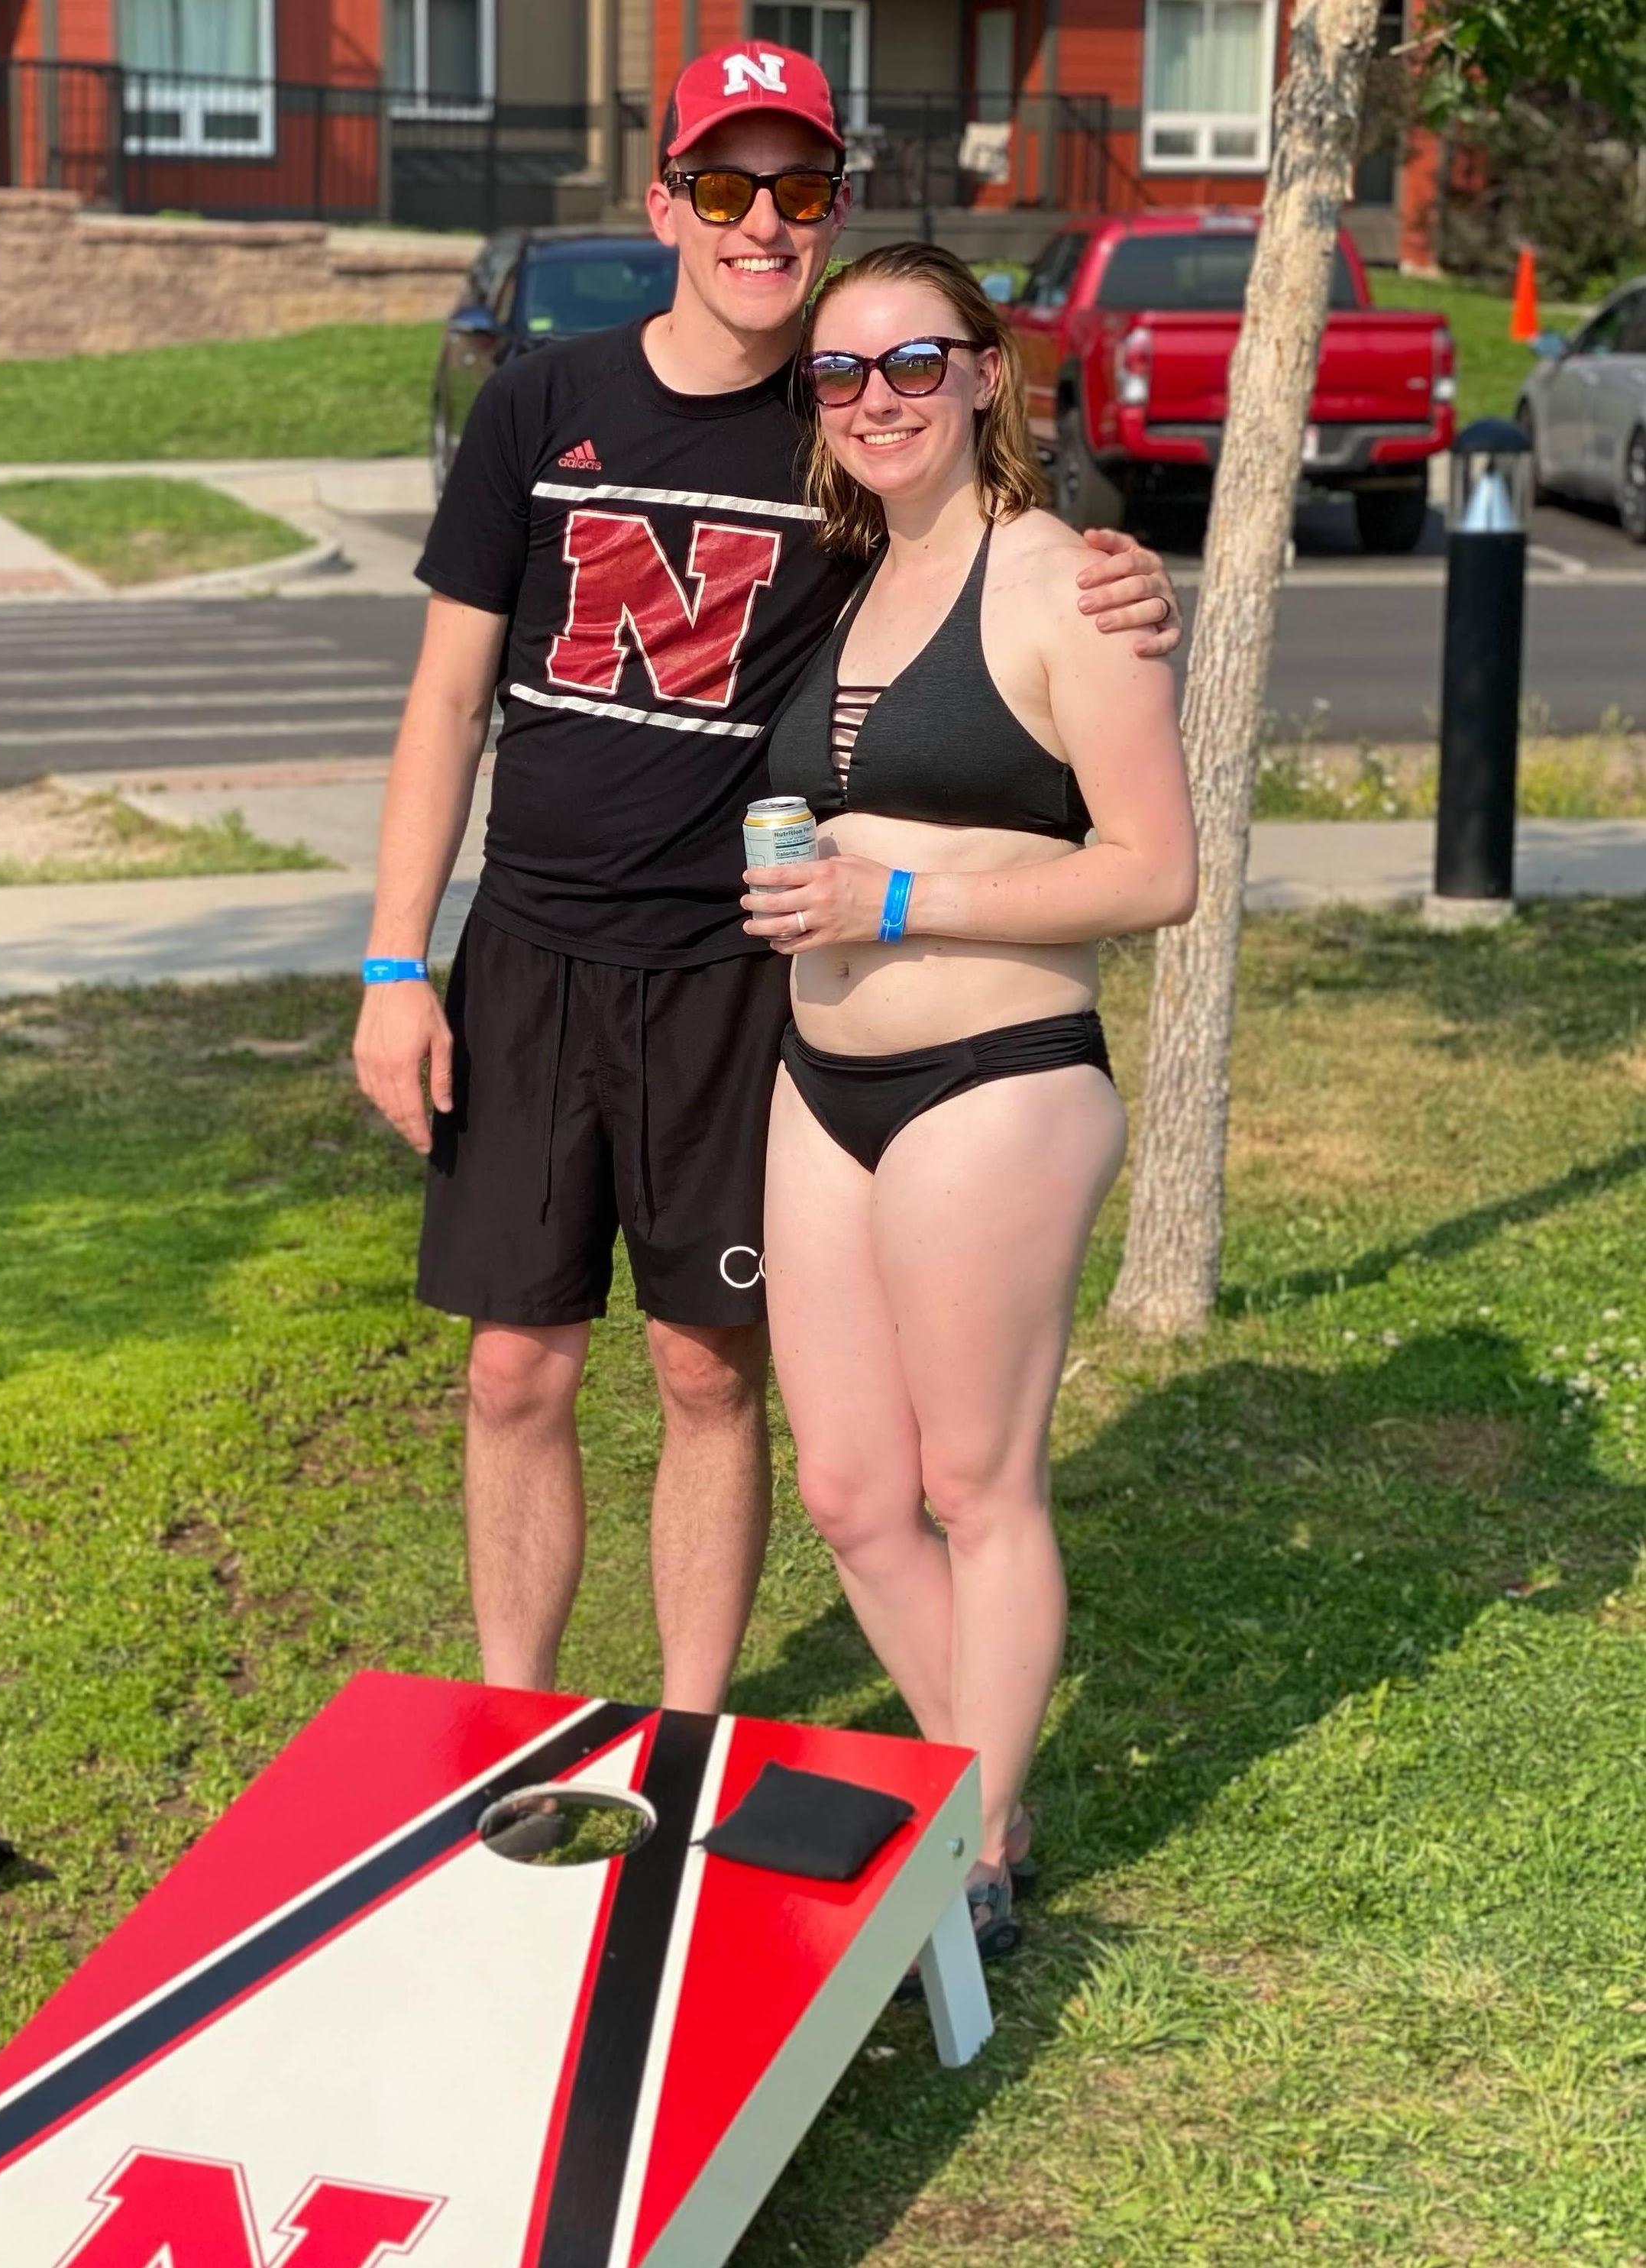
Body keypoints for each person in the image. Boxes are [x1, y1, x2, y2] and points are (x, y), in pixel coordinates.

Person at [353, 40, 1183, 1713]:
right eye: (724, 185)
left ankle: (685, 1726)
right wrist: (392, 967)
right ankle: (507, 1716)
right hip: (529, 953)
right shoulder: (540, 403)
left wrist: (1128, 573)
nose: (760, 222)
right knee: (514, 1366)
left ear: (833, 211)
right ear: (665, 198)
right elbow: (447, 701)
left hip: (738, 979)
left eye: (797, 190)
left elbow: (1000, 554)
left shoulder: (852, 445)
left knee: (705, 1370)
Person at [742, 241, 1197, 1949]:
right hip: (824, 1083)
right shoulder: (844, 579)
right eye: (840, 377)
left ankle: (982, 1851)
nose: (875, 401)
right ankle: (972, 1785)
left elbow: (1156, 874)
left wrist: (901, 905)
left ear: (988, 372)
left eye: (912, 365)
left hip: (994, 1082)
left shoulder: (1074, 585)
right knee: (853, 1494)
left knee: (973, 1485)